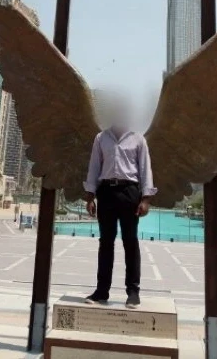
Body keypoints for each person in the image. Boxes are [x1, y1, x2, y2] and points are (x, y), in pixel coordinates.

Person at [83, 117, 157, 308]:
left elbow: (145, 169)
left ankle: (133, 292)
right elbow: (94, 167)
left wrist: (146, 199)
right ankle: (101, 291)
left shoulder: (138, 139)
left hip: (129, 192)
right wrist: (90, 197)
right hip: (106, 192)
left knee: (130, 242)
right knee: (105, 243)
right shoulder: (101, 138)